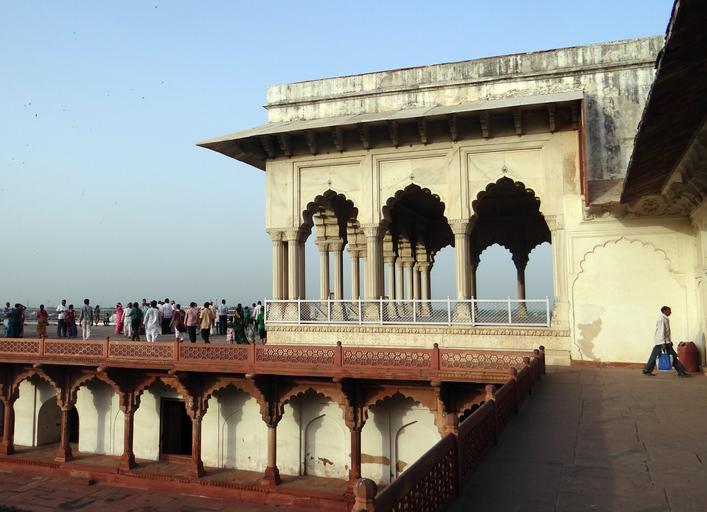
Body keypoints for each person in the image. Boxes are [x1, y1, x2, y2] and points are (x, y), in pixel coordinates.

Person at [643, 306, 688, 377]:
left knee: (670, 356)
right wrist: (662, 343)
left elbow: (666, 332)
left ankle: (681, 371)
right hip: (662, 343)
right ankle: (681, 371)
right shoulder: (662, 319)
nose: (670, 312)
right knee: (668, 356)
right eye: (669, 310)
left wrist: (669, 341)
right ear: (664, 311)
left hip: (665, 342)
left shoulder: (665, 319)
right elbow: (661, 332)